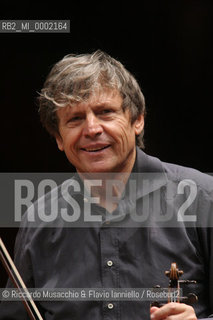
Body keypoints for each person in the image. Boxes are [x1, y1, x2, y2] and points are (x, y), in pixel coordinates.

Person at [0, 50, 213, 320]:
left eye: (105, 112)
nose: (91, 129)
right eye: (75, 119)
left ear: (138, 120)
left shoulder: (203, 199)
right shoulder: (39, 220)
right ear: (59, 139)